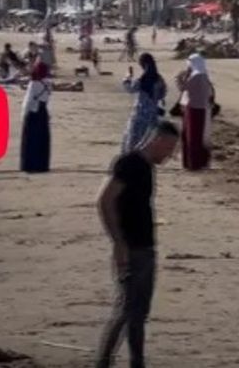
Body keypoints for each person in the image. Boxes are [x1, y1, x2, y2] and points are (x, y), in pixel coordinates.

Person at [95, 121, 181, 368]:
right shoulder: (129, 163)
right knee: (126, 309)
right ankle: (104, 362)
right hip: (131, 248)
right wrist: (119, 243)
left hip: (145, 246)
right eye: (169, 148)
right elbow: (104, 201)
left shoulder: (146, 167)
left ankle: (135, 361)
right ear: (157, 141)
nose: (170, 155)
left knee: (138, 313)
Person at [122, 54, 167, 153]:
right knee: (148, 142)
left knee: (133, 142)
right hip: (152, 115)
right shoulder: (159, 79)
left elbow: (130, 89)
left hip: (139, 114)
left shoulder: (142, 79)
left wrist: (127, 77)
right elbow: (162, 94)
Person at [176, 54, 213, 171]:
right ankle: (198, 162)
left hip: (193, 108)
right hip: (201, 108)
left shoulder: (196, 76)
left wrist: (180, 78)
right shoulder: (204, 75)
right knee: (198, 136)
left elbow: (183, 87)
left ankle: (193, 163)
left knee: (192, 136)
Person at [20, 62, 51, 173]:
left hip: (33, 112)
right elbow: (47, 99)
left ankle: (30, 165)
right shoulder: (48, 83)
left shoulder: (33, 84)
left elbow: (28, 101)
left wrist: (23, 114)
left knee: (31, 139)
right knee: (42, 140)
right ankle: (42, 165)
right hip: (43, 111)